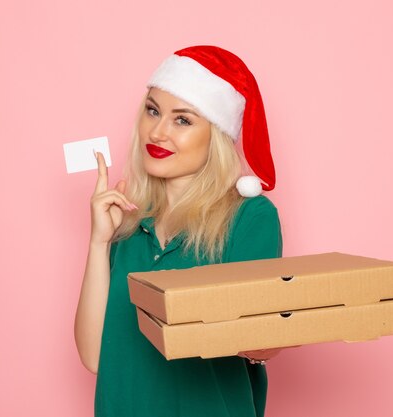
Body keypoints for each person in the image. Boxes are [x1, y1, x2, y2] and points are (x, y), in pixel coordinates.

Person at [75, 45, 285, 417]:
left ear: (216, 135)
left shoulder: (250, 218)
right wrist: (98, 241)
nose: (157, 132)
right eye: (153, 111)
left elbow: (258, 342)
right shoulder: (128, 221)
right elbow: (94, 357)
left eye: (182, 120)